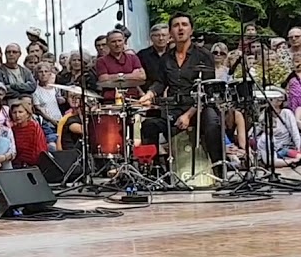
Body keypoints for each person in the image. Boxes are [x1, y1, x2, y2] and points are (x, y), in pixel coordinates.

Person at [138, 13, 224, 173]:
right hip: (174, 107)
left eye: (184, 25)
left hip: (199, 107)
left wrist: (188, 115)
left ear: (191, 30)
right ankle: (154, 171)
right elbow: (160, 82)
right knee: (149, 125)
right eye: (176, 25)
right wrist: (149, 94)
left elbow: (207, 89)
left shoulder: (204, 55)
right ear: (171, 32)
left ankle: (219, 169)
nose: (180, 28)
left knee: (213, 123)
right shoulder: (165, 58)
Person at [95, 29, 145, 101]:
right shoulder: (101, 61)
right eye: (113, 42)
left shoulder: (133, 58)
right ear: (108, 43)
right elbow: (103, 79)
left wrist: (115, 77)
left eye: (119, 41)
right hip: (110, 100)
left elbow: (141, 76)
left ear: (124, 41)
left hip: (132, 99)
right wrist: (131, 75)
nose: (117, 44)